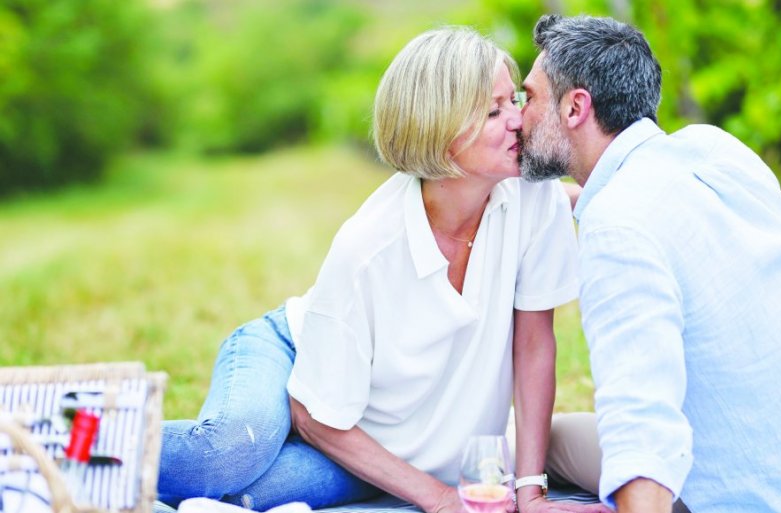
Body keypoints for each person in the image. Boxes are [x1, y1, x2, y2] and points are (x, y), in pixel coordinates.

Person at [157, 26, 607, 513]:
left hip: (364, 428)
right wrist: (437, 498)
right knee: (224, 460)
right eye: (494, 111)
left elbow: (534, 345)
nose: (519, 119)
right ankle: (93, 426)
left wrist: (531, 493)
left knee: (248, 496)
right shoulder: (369, 246)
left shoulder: (534, 198)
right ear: (441, 131)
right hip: (293, 358)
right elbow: (310, 411)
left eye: (514, 99)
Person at [517, 13, 781, 513]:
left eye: (528, 97)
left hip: (777, 493)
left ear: (575, 107)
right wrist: (569, 200)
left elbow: (640, 418)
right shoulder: (708, 147)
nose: (518, 116)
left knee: (544, 437)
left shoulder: (615, 226)